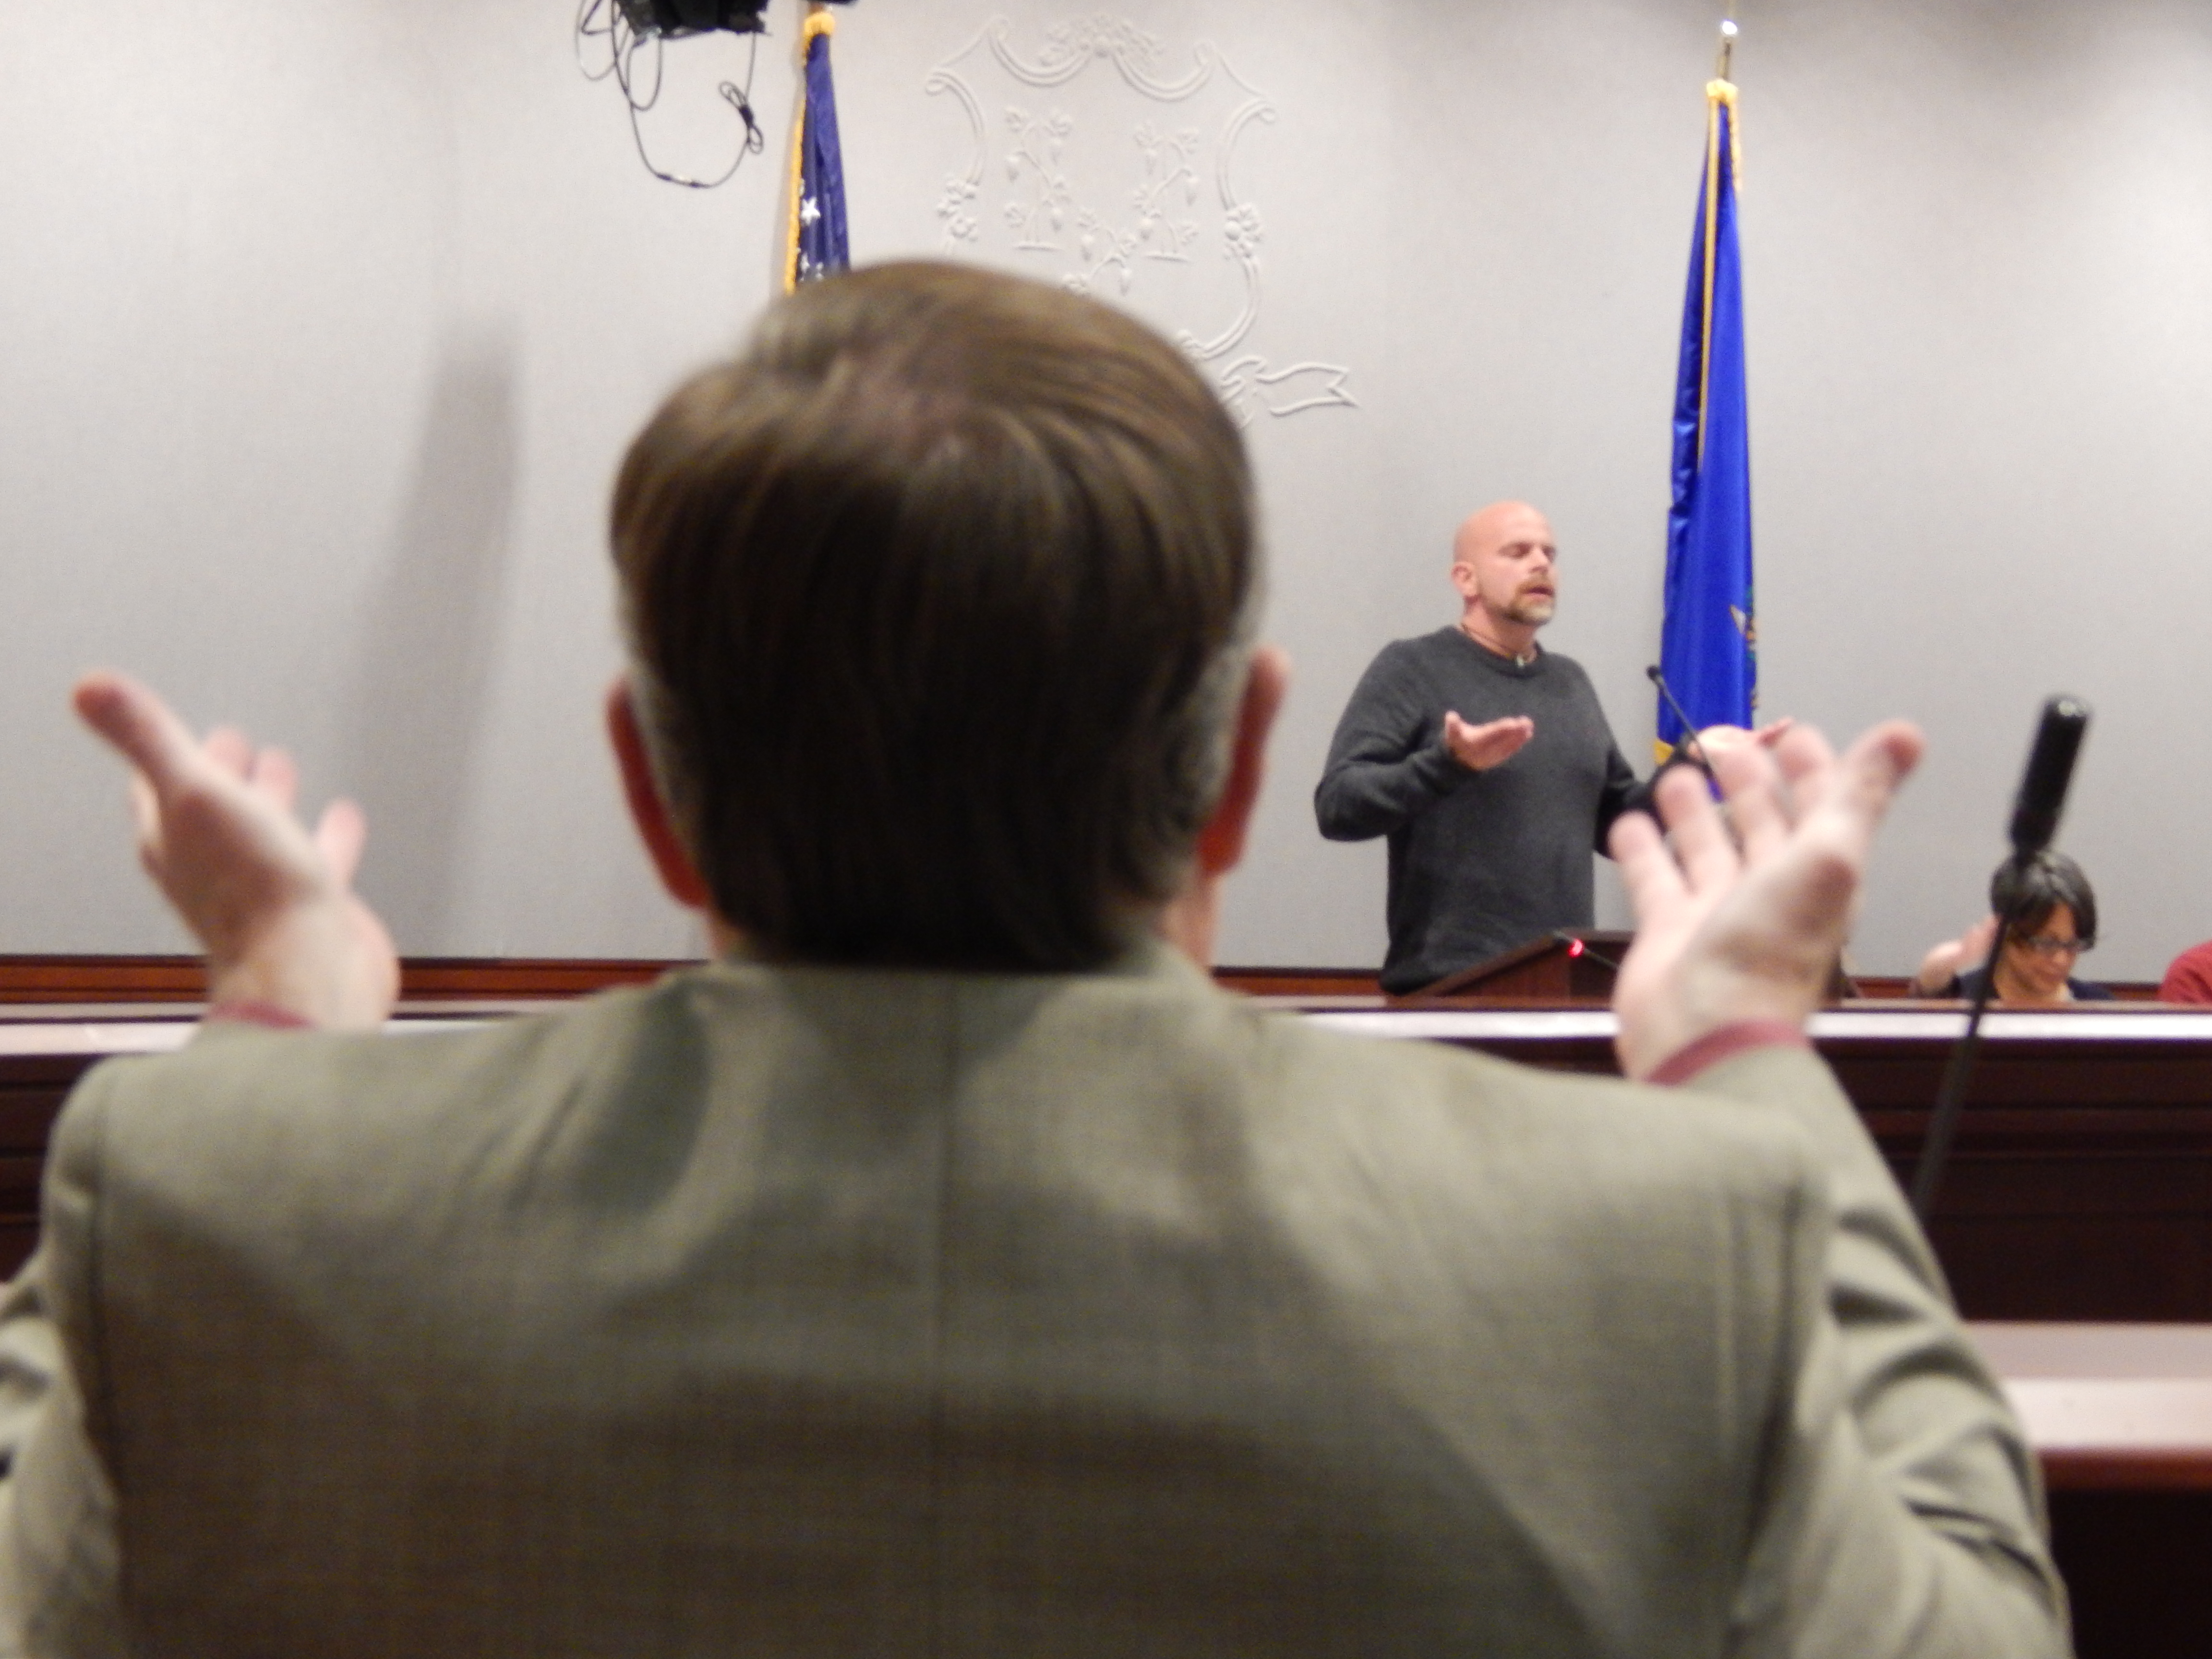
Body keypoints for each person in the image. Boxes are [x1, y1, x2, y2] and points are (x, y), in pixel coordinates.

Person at [0, 263, 2065, 1655]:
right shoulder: (1659, 1247)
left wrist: (274, 1007)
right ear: (1238, 772)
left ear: (648, 789)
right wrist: (1738, 1050)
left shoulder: (216, 1210)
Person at [1313, 502, 1783, 994]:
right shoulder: (1413, 667)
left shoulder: (1569, 683)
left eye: (1549, 554)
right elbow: (1339, 807)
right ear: (1466, 579)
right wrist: (1447, 765)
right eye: (1518, 552)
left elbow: (1618, 829)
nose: (1541, 564)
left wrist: (1691, 763)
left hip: (1564, 981)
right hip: (1450, 991)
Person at [1912, 850, 2112, 1004]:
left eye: (2072, 945)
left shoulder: (2099, 1009)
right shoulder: (1964, 1003)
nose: (2062, 960)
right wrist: (1938, 967)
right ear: (2006, 931)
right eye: (2046, 943)